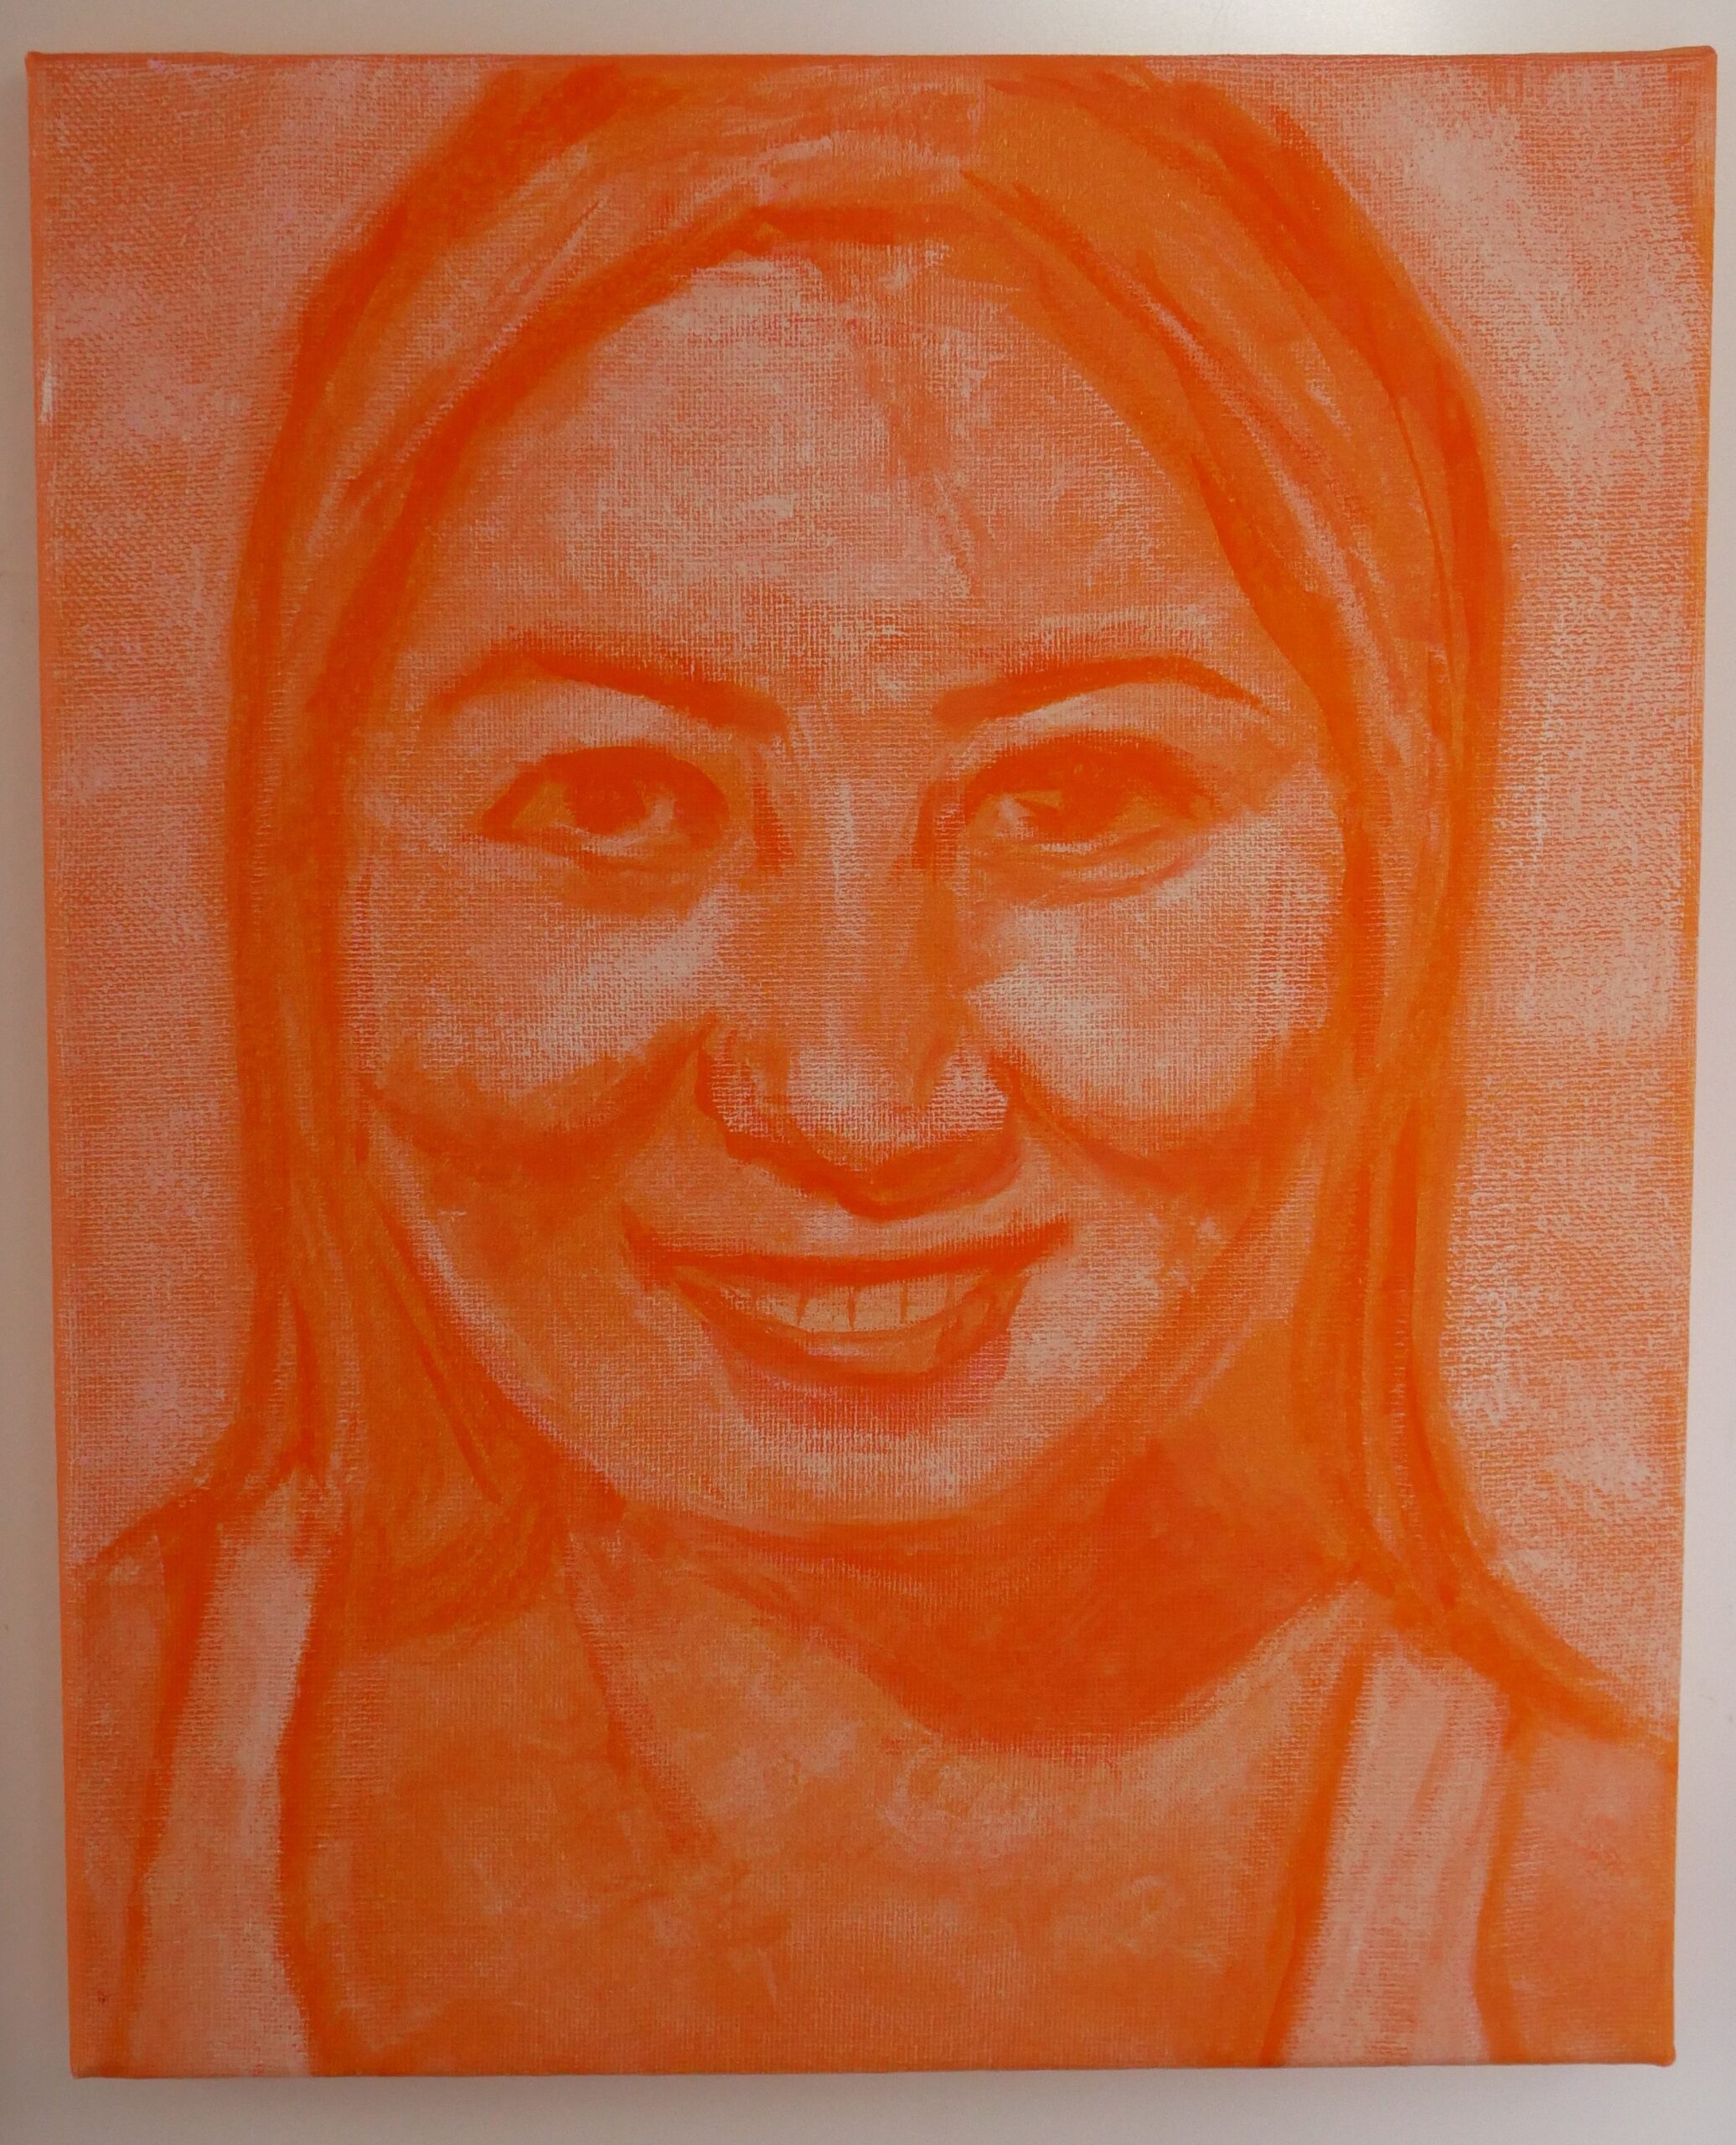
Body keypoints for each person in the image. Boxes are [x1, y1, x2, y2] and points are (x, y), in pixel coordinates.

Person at [66, 58, 1673, 2074]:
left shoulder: (1596, 1927)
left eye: (1077, 798)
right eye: (614, 797)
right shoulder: (88, 1783)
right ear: (323, 877)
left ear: (1387, 885)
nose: (854, 1094)